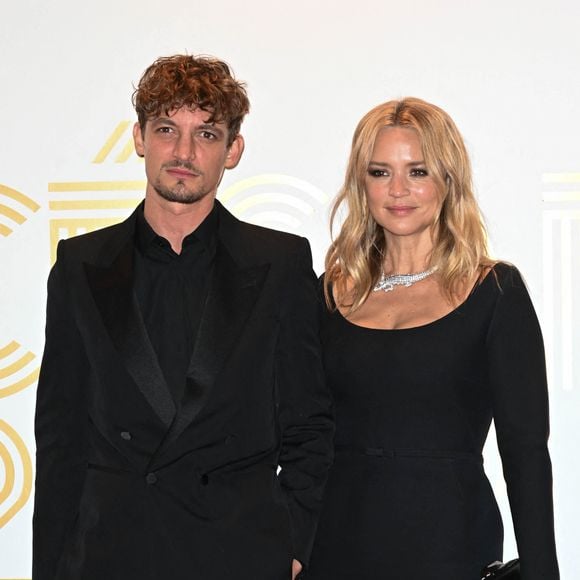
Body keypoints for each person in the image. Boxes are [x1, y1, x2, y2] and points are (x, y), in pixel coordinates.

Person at [33, 54, 333, 580]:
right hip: (112, 553)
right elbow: (60, 438)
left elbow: (308, 422)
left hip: (238, 551)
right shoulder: (81, 266)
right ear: (139, 139)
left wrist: (292, 545)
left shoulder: (280, 264)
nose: (184, 152)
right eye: (168, 129)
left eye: (207, 134)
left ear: (233, 150)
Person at [304, 98, 559, 579]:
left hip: (450, 547)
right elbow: (302, 439)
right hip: (334, 545)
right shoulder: (327, 295)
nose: (398, 190)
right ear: (362, 184)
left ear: (448, 180)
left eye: (417, 171)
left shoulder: (494, 293)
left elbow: (525, 454)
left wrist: (544, 573)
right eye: (380, 172)